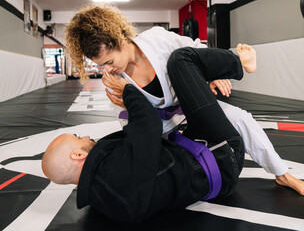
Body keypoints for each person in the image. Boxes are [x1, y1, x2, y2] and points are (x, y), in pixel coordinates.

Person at [65, 4, 304, 199]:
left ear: (120, 40)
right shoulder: (116, 83)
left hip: (193, 107)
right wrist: (126, 102)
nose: (107, 70)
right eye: (101, 66)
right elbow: (140, 130)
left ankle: (282, 174)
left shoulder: (156, 39)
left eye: (109, 61)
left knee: (240, 118)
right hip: (168, 133)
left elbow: (194, 51)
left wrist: (210, 76)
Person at [42, 47, 246, 222]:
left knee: (186, 97)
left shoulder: (101, 193)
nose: (86, 137)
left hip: (197, 157)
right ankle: (240, 60)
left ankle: (210, 81)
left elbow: (140, 144)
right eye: (78, 138)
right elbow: (149, 125)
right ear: (78, 156)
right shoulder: (114, 170)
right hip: (222, 154)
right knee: (180, 60)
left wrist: (128, 106)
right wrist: (129, 90)